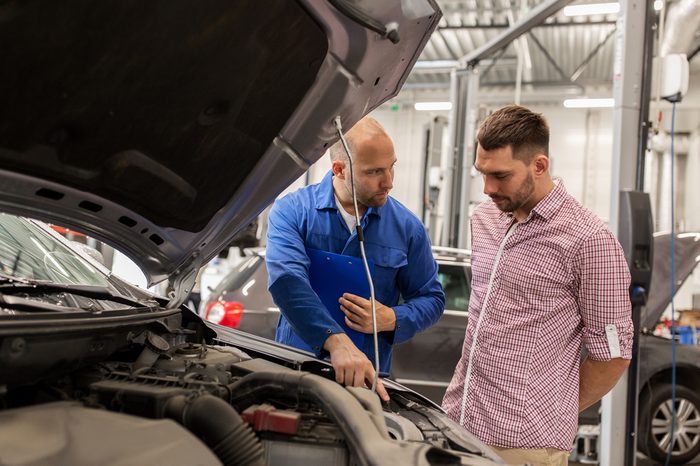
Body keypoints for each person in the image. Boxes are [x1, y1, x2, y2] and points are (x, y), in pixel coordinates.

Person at [441, 105, 633, 466]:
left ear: (539, 166)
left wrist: (549, 407)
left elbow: (614, 355)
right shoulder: (484, 220)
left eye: (500, 176)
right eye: (482, 174)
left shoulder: (589, 240)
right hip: (459, 422)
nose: (487, 189)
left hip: (525, 444)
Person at [266, 116, 445, 401]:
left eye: (392, 167)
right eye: (375, 171)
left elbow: (432, 299)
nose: (389, 182)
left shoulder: (408, 229)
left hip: (366, 384)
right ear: (339, 170)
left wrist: (393, 318)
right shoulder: (294, 212)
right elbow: (287, 281)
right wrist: (335, 342)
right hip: (295, 370)